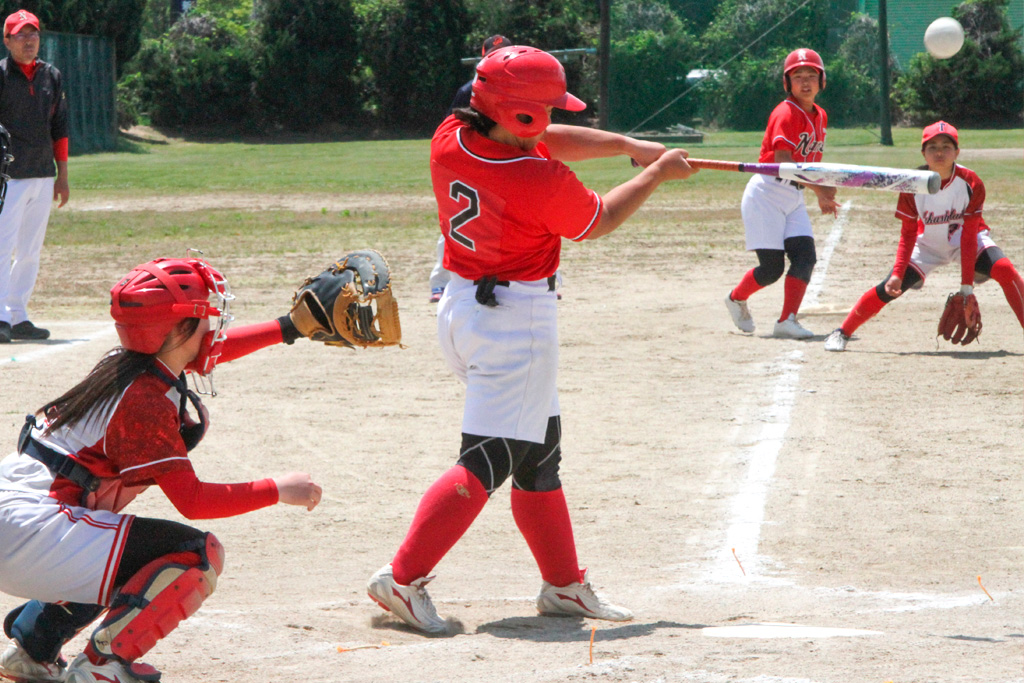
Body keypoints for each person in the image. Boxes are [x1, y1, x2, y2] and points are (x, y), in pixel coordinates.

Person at [366, 44, 697, 634]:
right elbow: (598, 220)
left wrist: (624, 145)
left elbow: (543, 135)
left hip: (466, 306)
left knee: (540, 450)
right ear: (518, 117)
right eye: (541, 111)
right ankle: (403, 576)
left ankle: (564, 585)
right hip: (513, 323)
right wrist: (656, 173)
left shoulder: (454, 135)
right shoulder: (536, 178)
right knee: (489, 459)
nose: (548, 121)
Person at [0, 255, 323, 683]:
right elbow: (192, 500)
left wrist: (290, 327)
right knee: (196, 553)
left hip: (20, 520)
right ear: (182, 328)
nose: (215, 326)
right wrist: (278, 488)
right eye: (207, 317)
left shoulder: (124, 362)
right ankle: (103, 666)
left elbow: (205, 354)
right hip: (30, 534)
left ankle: (32, 652)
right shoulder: (145, 401)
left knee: (111, 533)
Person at [824, 121, 1024, 351]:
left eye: (946, 146)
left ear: (957, 152)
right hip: (927, 245)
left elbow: (969, 235)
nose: (939, 152)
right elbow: (908, 233)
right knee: (888, 288)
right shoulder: (911, 184)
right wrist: (898, 274)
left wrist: (966, 287)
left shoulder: (970, 182)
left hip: (965, 240)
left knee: (1005, 270)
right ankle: (842, 332)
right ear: (923, 153)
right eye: (932, 147)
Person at [723, 48, 841, 339]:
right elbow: (784, 163)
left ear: (822, 81)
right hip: (766, 193)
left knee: (805, 258)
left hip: (793, 195)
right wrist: (818, 189)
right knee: (771, 269)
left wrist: (821, 187)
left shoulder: (820, 115)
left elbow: (809, 163)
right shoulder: (785, 112)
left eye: (811, 76)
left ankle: (786, 320)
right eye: (797, 77)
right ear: (787, 83)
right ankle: (736, 298)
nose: (805, 82)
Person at [0, 10, 69, 344]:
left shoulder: (50, 76)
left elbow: (60, 128)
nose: (29, 41)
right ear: (7, 40)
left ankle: (18, 314)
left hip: (42, 174)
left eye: (33, 34)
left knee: (30, 250)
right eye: (20, 35)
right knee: (2, 246)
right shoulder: (0, 75)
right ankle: (0, 317)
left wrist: (63, 175)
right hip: (7, 177)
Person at [429, 34, 512, 304]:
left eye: (504, 52)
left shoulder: (522, 87)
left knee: (531, 220)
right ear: (483, 57)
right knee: (460, 219)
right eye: (492, 53)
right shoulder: (469, 91)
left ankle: (548, 280)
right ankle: (440, 283)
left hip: (510, 162)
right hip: (476, 163)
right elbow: (451, 129)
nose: (497, 57)